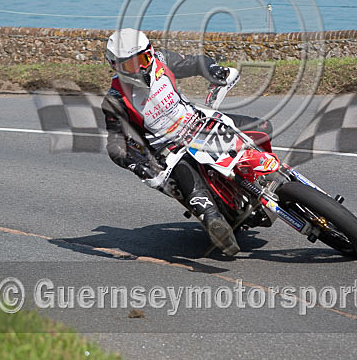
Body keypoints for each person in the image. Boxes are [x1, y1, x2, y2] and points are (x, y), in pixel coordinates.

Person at [101, 28, 272, 256]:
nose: (140, 68)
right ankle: (217, 225)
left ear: (150, 53)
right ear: (114, 66)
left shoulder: (162, 61)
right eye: (129, 65)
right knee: (205, 208)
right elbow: (116, 145)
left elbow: (197, 63)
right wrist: (139, 164)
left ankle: (267, 175)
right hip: (169, 150)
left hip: (199, 122)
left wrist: (214, 71)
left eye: (143, 59)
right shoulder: (114, 99)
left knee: (262, 128)